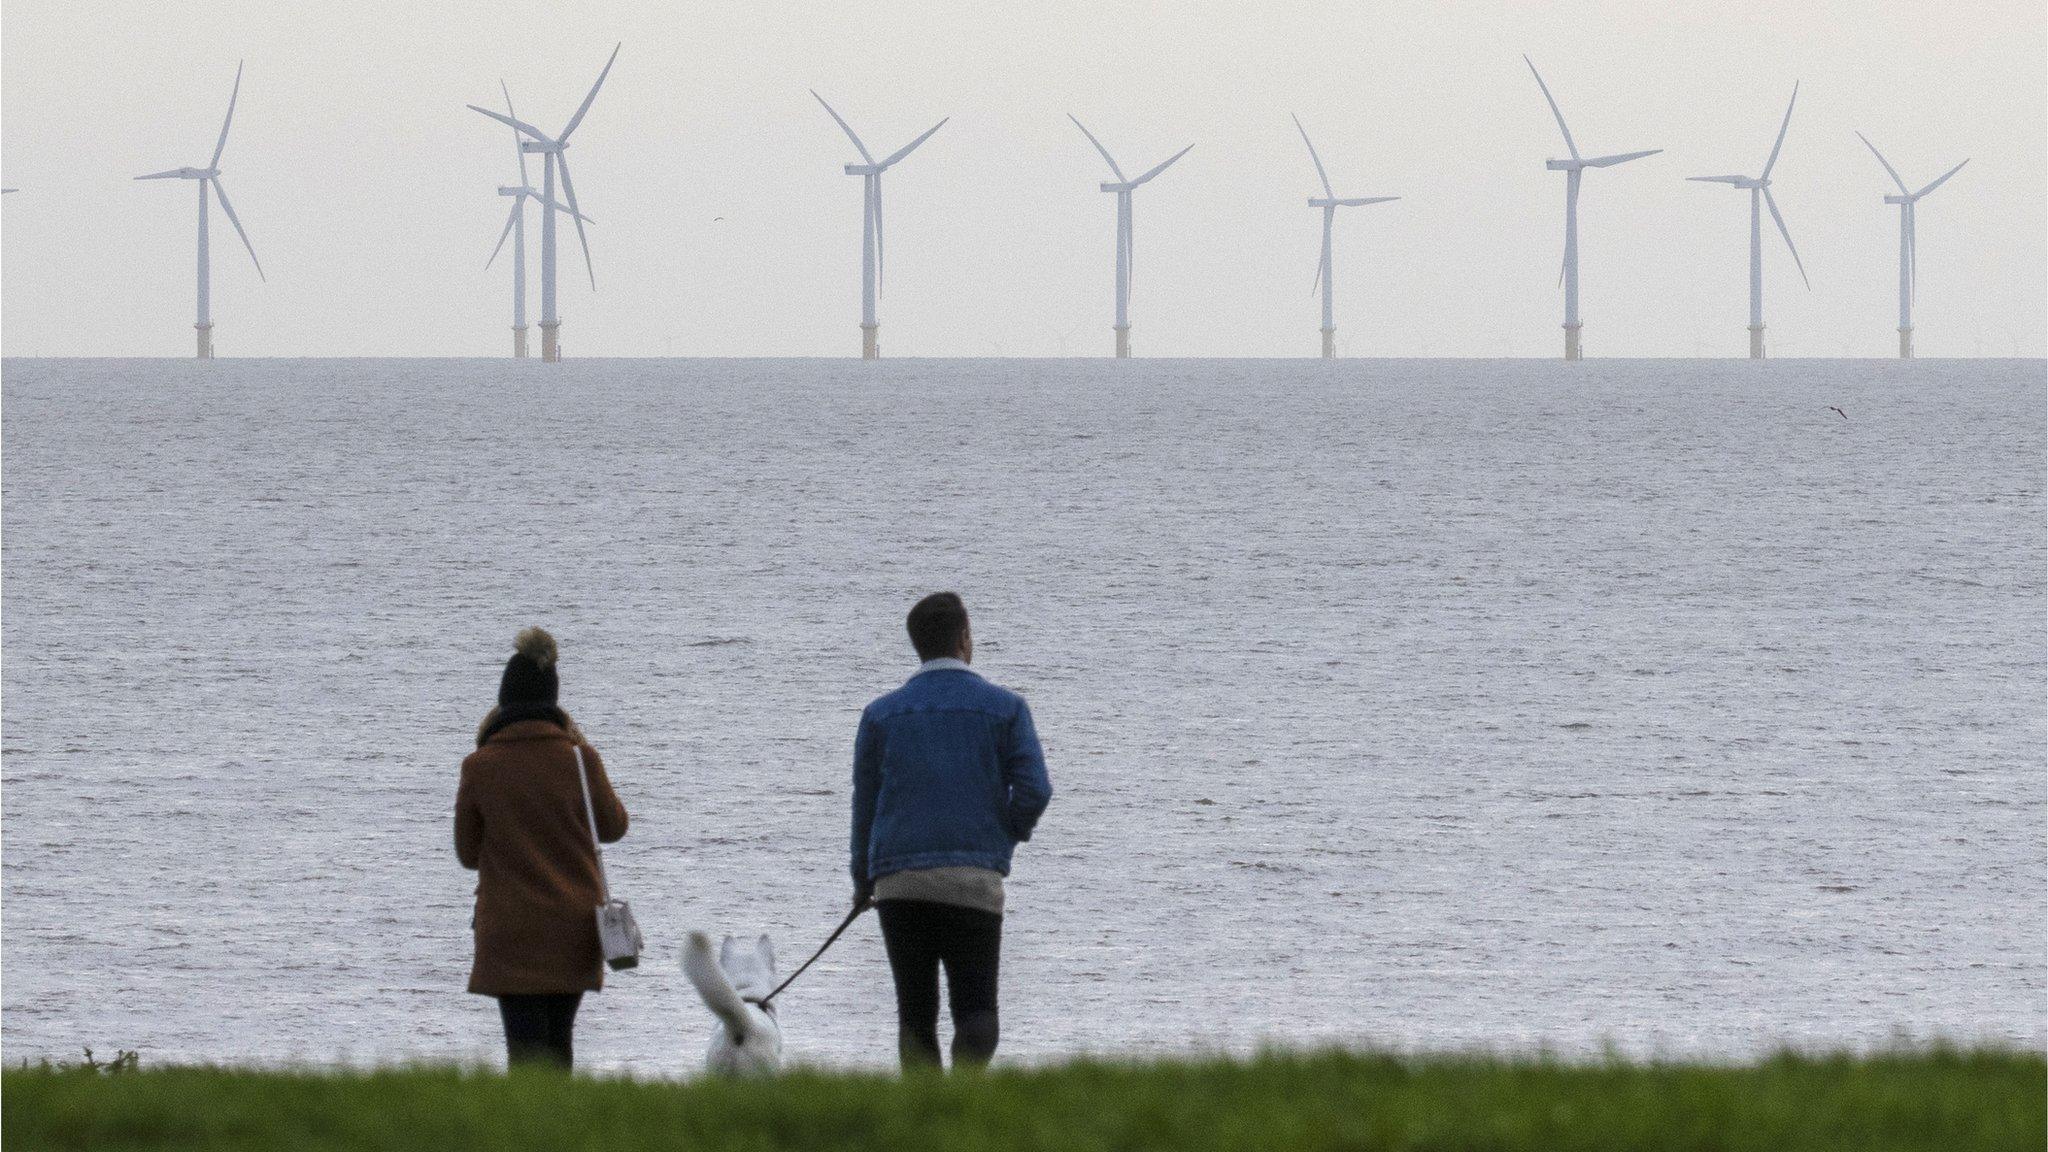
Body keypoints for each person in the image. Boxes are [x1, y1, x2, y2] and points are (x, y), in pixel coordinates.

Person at [850, 592, 1053, 1070]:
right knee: (977, 1008)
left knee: (915, 1016)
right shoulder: (1006, 709)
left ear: (917, 645)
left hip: (899, 882)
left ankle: (924, 1123)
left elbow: (865, 807)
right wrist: (1004, 836)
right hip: (973, 879)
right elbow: (1035, 790)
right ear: (965, 639)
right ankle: (966, 1098)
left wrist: (863, 881)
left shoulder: (880, 715)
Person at [454, 626, 627, 1070]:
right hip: (573, 930)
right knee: (559, 1043)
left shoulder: (480, 766)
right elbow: (613, 827)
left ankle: (526, 1134)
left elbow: (468, 854)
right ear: (554, 699)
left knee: (524, 1052)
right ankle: (560, 1132)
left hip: (510, 932)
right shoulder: (579, 759)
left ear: (504, 701)